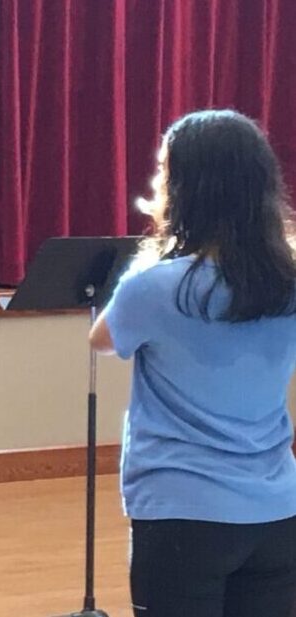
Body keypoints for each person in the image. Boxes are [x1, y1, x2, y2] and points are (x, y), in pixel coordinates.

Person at [89, 109, 296, 617]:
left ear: (184, 190)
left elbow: (101, 340)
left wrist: (156, 249)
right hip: (277, 508)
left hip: (181, 511)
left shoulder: (155, 287)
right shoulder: (289, 281)